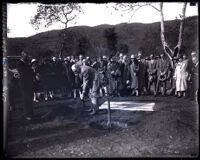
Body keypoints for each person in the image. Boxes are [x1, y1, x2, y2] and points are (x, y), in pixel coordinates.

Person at [16, 51, 34, 120]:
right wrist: (30, 70)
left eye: (27, 56)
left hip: (29, 83)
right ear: (22, 56)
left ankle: (31, 113)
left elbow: (30, 71)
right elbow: (23, 73)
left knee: (30, 98)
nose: (27, 57)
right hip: (23, 83)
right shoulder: (19, 64)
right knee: (26, 99)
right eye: (25, 56)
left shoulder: (26, 63)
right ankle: (27, 115)